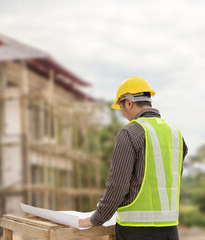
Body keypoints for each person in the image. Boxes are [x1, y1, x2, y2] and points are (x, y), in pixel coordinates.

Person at [78, 76, 187, 240]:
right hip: (170, 231)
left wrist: (97, 218)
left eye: (121, 107)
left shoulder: (130, 132)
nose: (123, 114)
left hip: (136, 232)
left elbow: (118, 185)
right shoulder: (175, 134)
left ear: (128, 102)